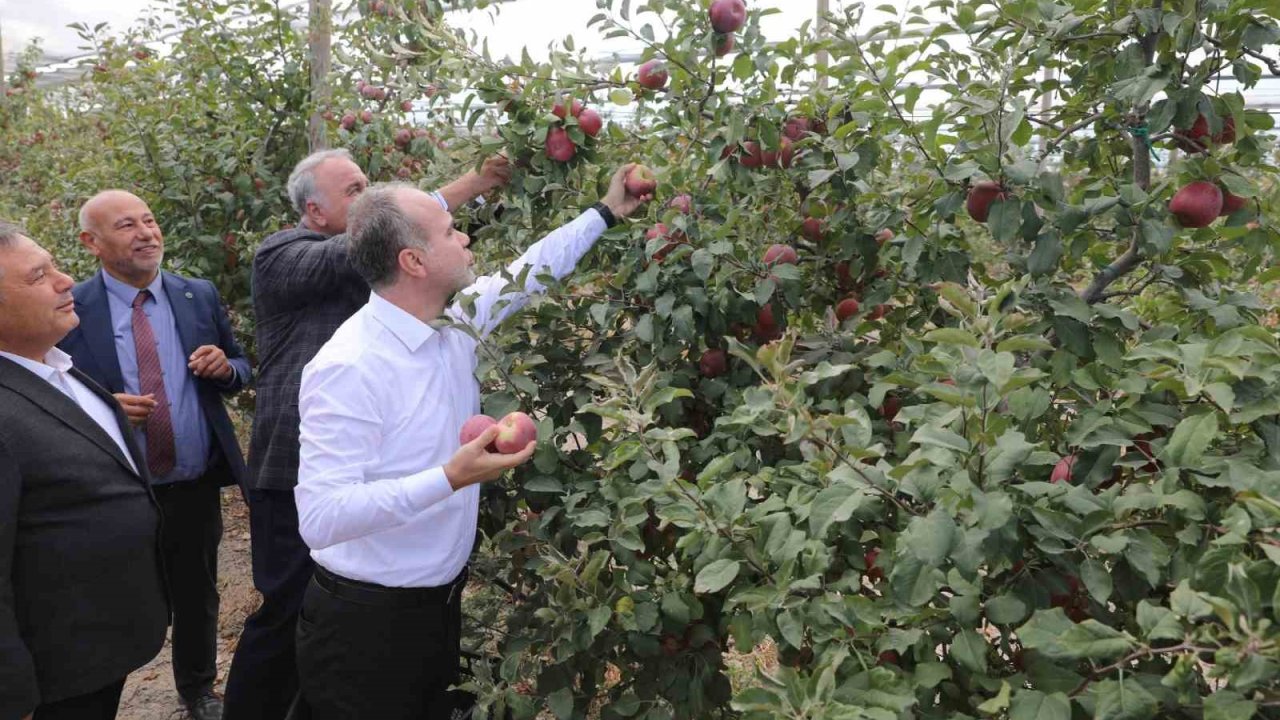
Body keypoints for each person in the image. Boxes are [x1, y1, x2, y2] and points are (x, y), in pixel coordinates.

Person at [291, 165, 649, 718]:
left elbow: (528, 271)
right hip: (365, 626)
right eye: (451, 231)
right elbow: (321, 516)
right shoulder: (349, 366)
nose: (464, 238)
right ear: (413, 262)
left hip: (434, 606)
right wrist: (448, 478)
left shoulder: (453, 322)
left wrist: (604, 213)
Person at [224, 149, 513, 720]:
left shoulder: (433, 321)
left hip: (415, 584)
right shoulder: (287, 262)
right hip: (306, 498)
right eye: (355, 191)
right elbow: (325, 516)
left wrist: (602, 212)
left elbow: (511, 278)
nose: (368, 199)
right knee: (284, 615)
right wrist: (467, 185)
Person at [57, 191, 251, 720]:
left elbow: (240, 364)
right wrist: (102, 406)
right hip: (117, 486)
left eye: (149, 220)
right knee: (116, 597)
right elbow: (51, 390)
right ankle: (101, 695)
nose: (146, 232)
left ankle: (197, 689)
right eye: (126, 225)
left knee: (197, 591)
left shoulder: (197, 295)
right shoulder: (71, 307)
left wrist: (226, 367)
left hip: (190, 479)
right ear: (91, 242)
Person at [0, 221, 169, 720]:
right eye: (37, 277)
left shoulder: (58, 371)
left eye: (54, 265)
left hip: (95, 652)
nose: (65, 280)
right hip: (48, 677)